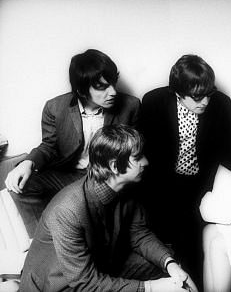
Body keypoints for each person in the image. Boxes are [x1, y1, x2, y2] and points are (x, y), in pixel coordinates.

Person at [20, 125, 198, 292]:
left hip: (101, 263)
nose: (146, 162)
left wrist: (170, 263)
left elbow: (138, 234)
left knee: (173, 269)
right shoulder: (67, 210)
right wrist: (151, 287)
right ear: (114, 166)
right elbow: (85, 283)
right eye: (137, 158)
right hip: (58, 286)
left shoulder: (127, 188)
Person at [5, 49, 140, 237]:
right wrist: (29, 163)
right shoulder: (55, 108)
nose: (113, 92)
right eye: (102, 87)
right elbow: (49, 146)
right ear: (81, 90)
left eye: (113, 83)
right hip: (67, 174)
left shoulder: (131, 106)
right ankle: (45, 239)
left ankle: (83, 241)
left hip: (103, 176)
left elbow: (133, 151)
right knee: (20, 185)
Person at [139, 54, 231, 285]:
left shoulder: (222, 104)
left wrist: (228, 192)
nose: (204, 102)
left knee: (196, 245)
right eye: (197, 97)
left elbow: (230, 153)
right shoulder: (153, 102)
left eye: (208, 94)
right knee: (159, 244)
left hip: (201, 186)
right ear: (177, 92)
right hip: (162, 184)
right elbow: (141, 149)